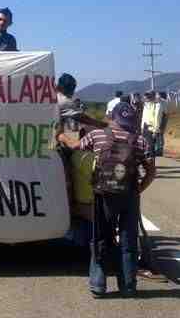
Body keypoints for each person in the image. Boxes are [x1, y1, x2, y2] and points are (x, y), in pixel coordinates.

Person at [57, 102, 156, 297]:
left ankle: (98, 285)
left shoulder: (98, 135)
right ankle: (128, 286)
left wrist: (60, 135)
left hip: (103, 195)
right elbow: (151, 172)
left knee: (101, 237)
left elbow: (76, 146)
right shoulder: (140, 141)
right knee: (128, 240)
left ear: (112, 117)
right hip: (129, 196)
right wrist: (138, 189)